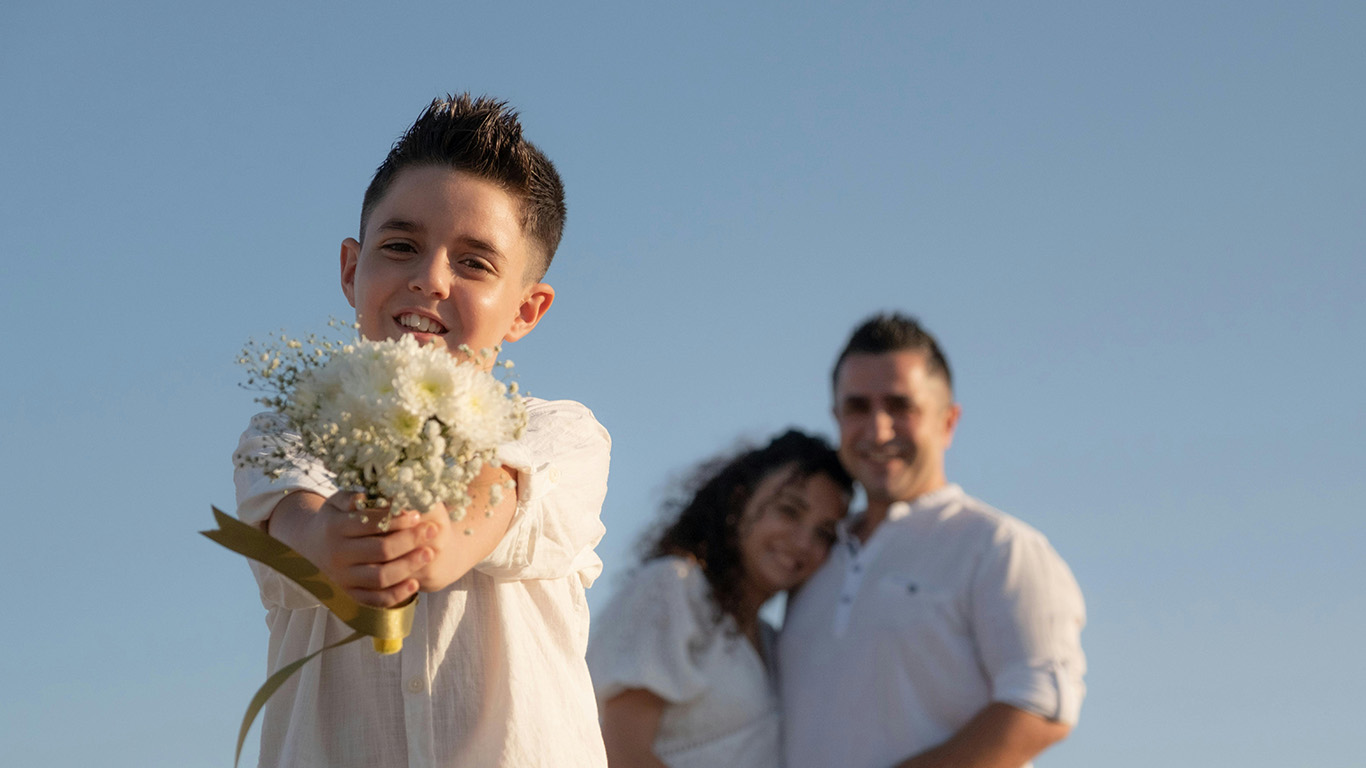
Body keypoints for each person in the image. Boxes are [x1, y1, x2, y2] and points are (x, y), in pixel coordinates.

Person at [232, 94, 611, 768]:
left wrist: (433, 537)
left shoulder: (563, 434)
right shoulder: (288, 430)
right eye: (400, 246)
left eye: (474, 263)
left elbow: (500, 497)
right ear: (352, 269)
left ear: (527, 308)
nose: (429, 279)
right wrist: (328, 541)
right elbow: (293, 520)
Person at [778, 313, 1087, 768]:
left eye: (900, 406)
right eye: (857, 408)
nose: (878, 430)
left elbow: (1043, 705)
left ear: (948, 421)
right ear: (836, 419)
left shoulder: (998, 546)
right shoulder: (814, 561)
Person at [587, 430, 853, 768]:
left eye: (824, 533)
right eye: (789, 511)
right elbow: (621, 752)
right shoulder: (674, 587)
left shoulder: (774, 642)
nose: (803, 542)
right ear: (740, 500)